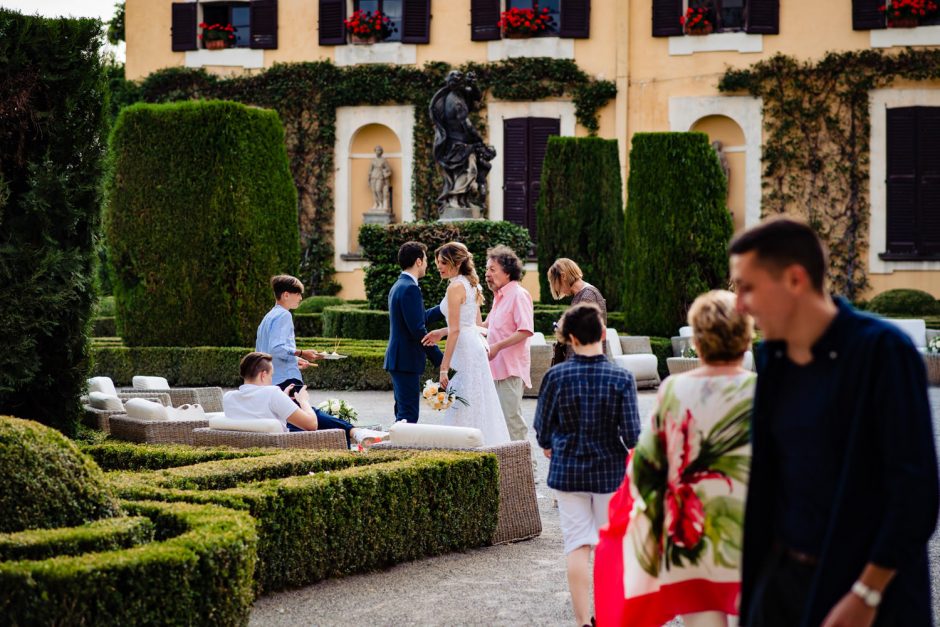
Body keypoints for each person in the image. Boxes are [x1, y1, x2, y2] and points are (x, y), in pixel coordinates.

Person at [729, 218, 938, 626]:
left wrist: (867, 593)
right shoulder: (774, 360)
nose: (739, 305)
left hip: (865, 598)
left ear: (794, 279)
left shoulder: (883, 353)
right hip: (783, 587)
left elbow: (916, 493)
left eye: (747, 287)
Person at [594, 290, 756, 627]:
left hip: (689, 531)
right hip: (748, 527)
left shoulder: (674, 389)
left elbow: (648, 466)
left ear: (697, 341)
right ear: (746, 337)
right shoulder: (765, 390)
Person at [533, 303, 641, 627]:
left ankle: (583, 621)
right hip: (609, 472)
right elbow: (633, 434)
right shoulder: (621, 377)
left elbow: (542, 427)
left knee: (577, 545)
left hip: (568, 471)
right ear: (603, 334)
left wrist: (550, 445)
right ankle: (610, 617)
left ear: (570, 338)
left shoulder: (555, 376)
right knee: (610, 548)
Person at [421, 242, 510, 445]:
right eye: (437, 264)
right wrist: (442, 332)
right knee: (477, 401)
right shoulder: (472, 284)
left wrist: (444, 368)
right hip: (474, 346)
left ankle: (464, 447)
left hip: (465, 350)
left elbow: (456, 330)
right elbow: (473, 325)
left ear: (457, 262)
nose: (439, 268)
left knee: (464, 402)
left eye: (443, 263)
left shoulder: (455, 287)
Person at [224, 352, 387, 447]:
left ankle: (358, 433)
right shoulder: (272, 393)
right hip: (285, 443)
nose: (271, 380)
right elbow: (311, 425)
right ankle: (357, 433)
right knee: (312, 412)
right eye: (271, 375)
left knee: (300, 411)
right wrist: (303, 401)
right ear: (263, 374)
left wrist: (284, 400)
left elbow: (255, 410)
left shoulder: (229, 397)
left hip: (253, 442)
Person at [384, 241, 445, 423]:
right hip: (406, 361)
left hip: (400, 360)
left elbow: (416, 319)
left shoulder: (399, 285)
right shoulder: (410, 288)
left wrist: (444, 308)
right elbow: (418, 330)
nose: (427, 264)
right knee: (408, 416)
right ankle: (400, 450)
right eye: (426, 259)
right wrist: (441, 360)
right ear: (418, 261)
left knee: (403, 413)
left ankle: (396, 448)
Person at [482, 245, 535, 442]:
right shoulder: (498, 298)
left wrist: (497, 347)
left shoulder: (518, 295)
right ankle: (509, 469)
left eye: (492, 270)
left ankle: (528, 471)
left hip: (510, 369)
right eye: (486, 269)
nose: (487, 274)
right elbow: (483, 327)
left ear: (507, 272)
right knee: (499, 424)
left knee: (512, 422)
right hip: (494, 369)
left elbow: (525, 330)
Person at [255, 274, 325, 393]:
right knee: (310, 412)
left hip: (270, 382)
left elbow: (267, 351)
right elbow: (277, 349)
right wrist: (303, 353)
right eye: (298, 294)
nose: (301, 298)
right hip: (286, 381)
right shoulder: (284, 315)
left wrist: (295, 359)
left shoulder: (268, 317)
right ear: (286, 295)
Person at [547, 258, 607, 365]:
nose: (560, 291)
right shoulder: (581, 295)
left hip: (585, 364)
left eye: (557, 286)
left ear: (563, 276)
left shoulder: (588, 295)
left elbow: (581, 333)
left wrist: (560, 326)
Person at [368, 145, 392, 213]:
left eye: (379, 150)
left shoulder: (384, 160)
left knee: (378, 190)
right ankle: (376, 203)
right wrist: (368, 179)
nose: (378, 152)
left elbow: (389, 170)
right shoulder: (373, 160)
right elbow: (370, 170)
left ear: (381, 152)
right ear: (375, 151)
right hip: (373, 177)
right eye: (377, 150)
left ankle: (381, 204)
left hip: (380, 177)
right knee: (374, 191)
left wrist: (385, 175)